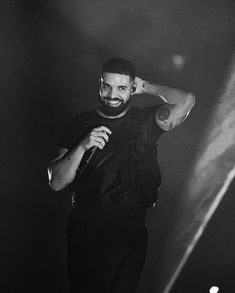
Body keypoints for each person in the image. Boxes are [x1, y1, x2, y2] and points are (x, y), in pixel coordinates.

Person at [47, 57, 195, 293]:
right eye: (107, 86)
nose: (112, 94)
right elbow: (56, 181)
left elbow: (187, 100)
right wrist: (82, 146)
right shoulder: (79, 125)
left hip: (130, 232)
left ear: (131, 89)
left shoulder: (145, 121)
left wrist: (146, 87)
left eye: (121, 87)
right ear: (99, 85)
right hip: (86, 230)